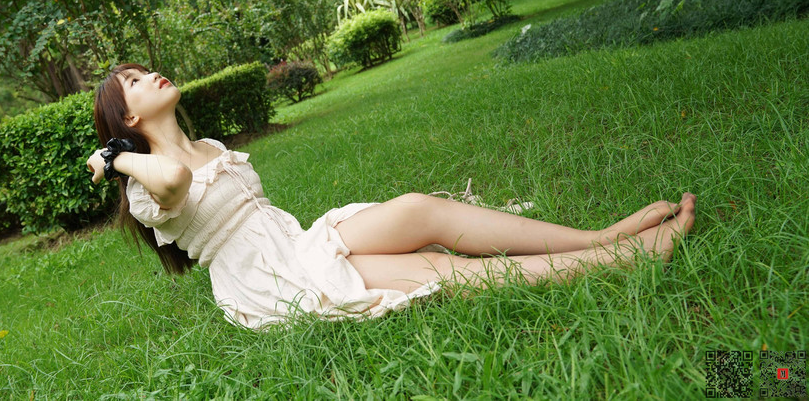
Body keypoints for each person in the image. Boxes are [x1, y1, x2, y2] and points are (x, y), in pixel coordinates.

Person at [88, 63, 696, 330]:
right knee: (434, 269)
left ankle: (600, 236)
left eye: (142, 70)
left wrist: (122, 151)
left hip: (299, 245)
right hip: (272, 282)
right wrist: (118, 159)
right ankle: (620, 260)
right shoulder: (145, 186)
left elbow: (194, 172)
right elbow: (175, 181)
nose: (150, 75)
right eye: (134, 83)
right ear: (128, 119)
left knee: (417, 209)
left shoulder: (212, 146)